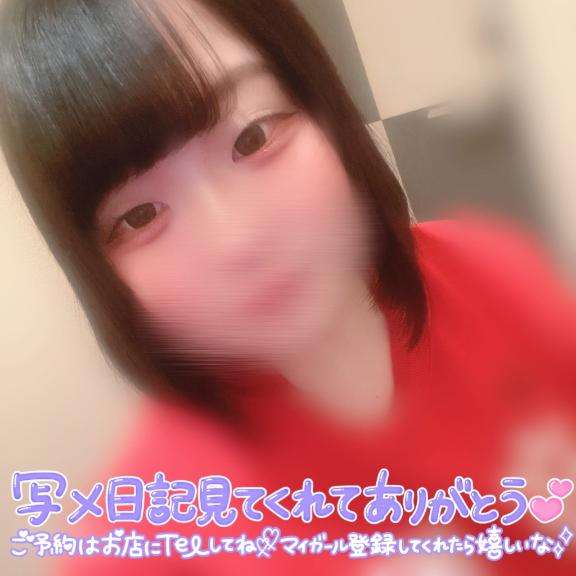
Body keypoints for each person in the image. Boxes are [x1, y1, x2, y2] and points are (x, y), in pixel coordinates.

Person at [1, 1, 575, 574]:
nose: (237, 241)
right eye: (140, 216)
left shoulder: (492, 270)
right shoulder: (150, 535)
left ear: (322, 108)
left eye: (253, 138)